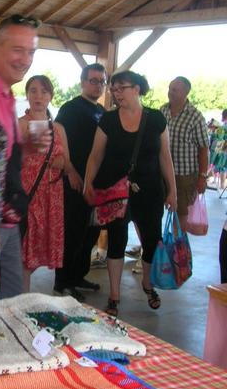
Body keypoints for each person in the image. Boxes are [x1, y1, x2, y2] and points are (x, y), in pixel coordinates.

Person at [84, 70, 177, 317]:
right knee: (117, 241)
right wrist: (88, 182)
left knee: (151, 240)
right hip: (116, 191)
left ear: (137, 89)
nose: (116, 94)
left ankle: (147, 283)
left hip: (151, 190)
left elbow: (165, 157)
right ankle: (114, 295)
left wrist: (173, 191)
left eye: (121, 88)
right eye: (113, 89)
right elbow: (95, 155)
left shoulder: (156, 119)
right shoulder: (108, 120)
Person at [0, 15, 44, 300]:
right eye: (18, 50)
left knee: (11, 299)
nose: (25, 60)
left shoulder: (5, 91)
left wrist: (27, 147)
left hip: (7, 217)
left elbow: (1, 158)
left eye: (31, 52)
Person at [54, 63, 107, 301]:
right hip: (74, 180)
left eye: (102, 81)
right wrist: (71, 172)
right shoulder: (70, 109)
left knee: (90, 233)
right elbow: (58, 143)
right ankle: (63, 282)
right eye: (93, 81)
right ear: (82, 82)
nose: (98, 85)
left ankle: (78, 276)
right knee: (72, 233)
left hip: (95, 183)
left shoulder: (102, 111)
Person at [18, 75, 71, 292]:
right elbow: (12, 160)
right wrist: (33, 148)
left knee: (40, 247)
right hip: (29, 193)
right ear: (27, 95)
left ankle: (23, 297)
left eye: (44, 91)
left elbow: (67, 162)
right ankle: (21, 298)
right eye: (33, 90)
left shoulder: (58, 128)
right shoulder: (20, 124)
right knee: (25, 250)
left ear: (51, 96)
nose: (38, 96)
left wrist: (58, 162)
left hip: (52, 195)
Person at [160, 76, 209, 231]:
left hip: (184, 176)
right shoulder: (162, 110)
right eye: (170, 88)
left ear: (186, 93)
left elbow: (204, 149)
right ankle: (160, 244)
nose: (170, 92)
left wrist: (202, 177)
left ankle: (177, 245)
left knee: (180, 213)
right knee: (156, 209)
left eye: (175, 90)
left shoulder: (195, 117)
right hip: (162, 172)